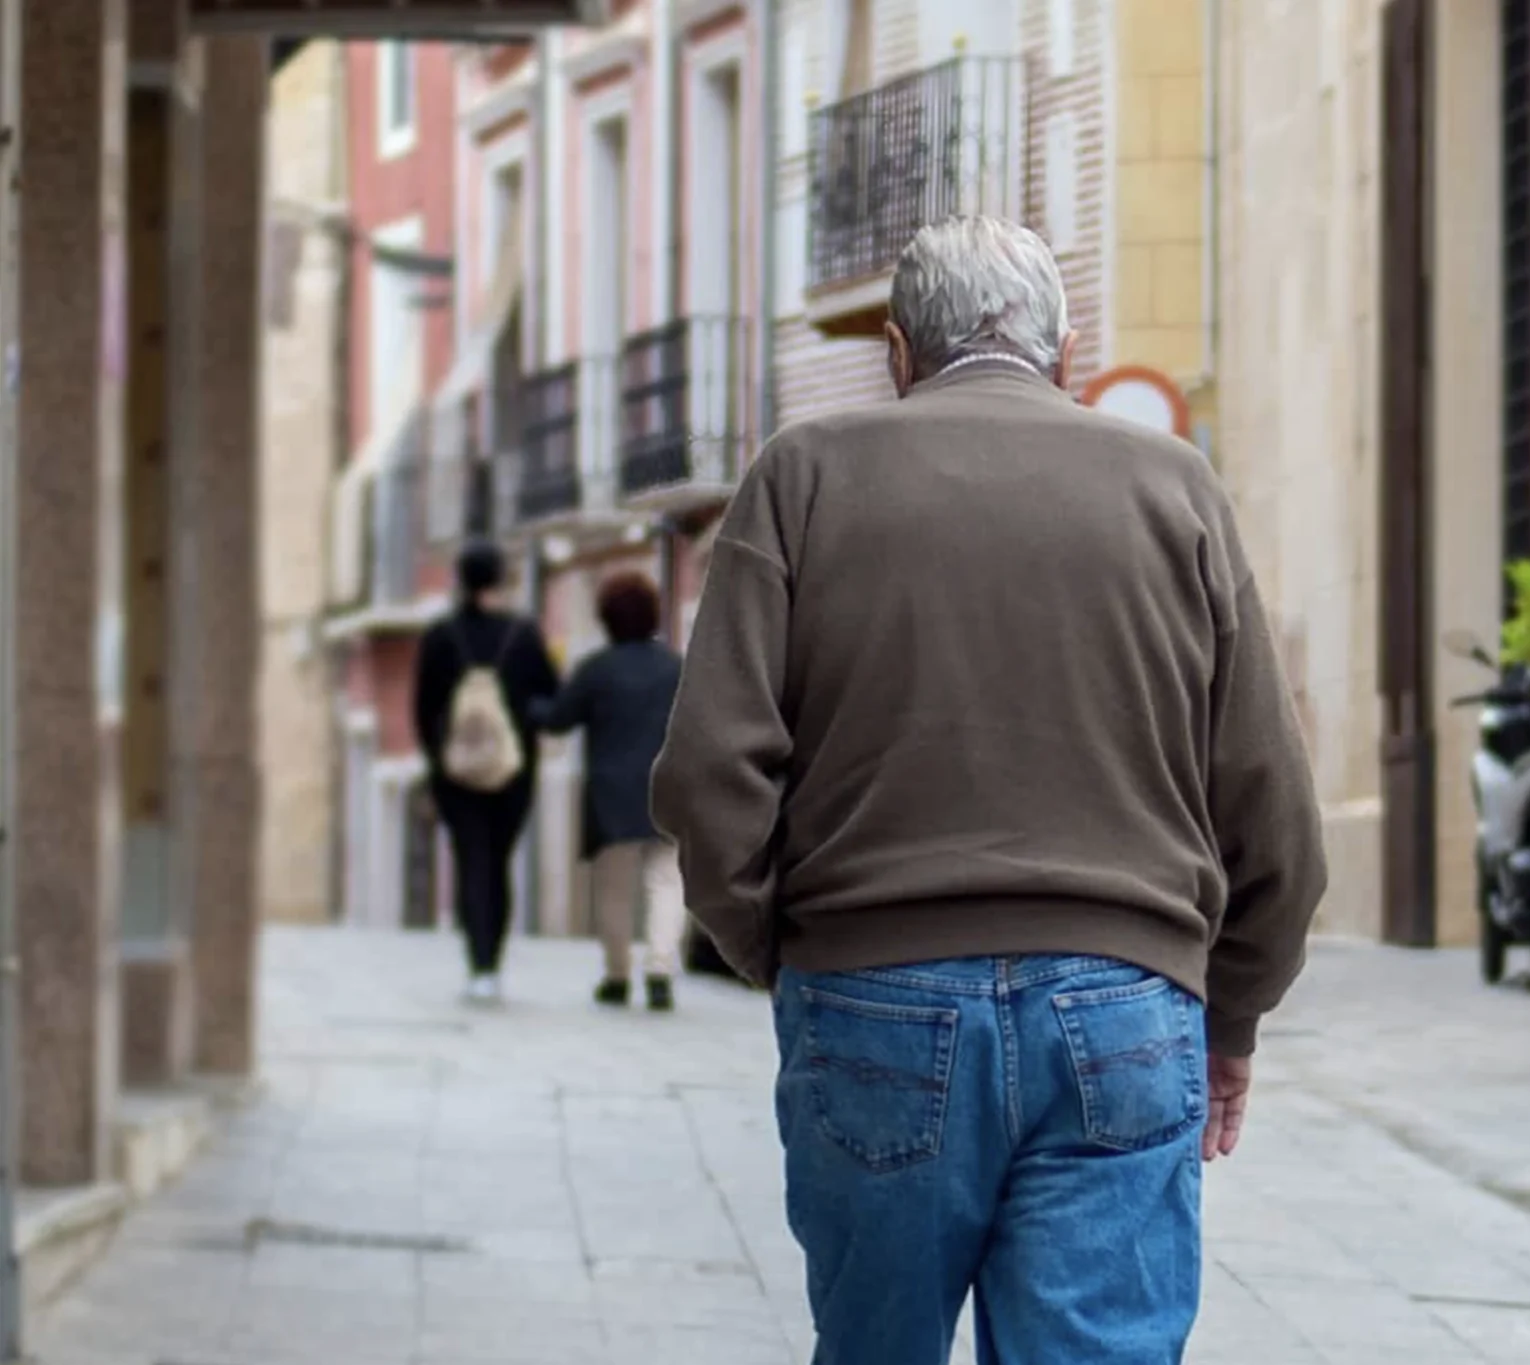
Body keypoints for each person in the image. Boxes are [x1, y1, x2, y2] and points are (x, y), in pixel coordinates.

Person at [651, 216, 1326, 1364]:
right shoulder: (1173, 489)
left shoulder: (803, 478)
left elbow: (709, 773)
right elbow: (1273, 808)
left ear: (897, 358)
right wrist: (1232, 1011)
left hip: (871, 991)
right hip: (1125, 1001)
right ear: (1064, 359)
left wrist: (790, 951)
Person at [531, 571, 687, 1012]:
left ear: (606, 619)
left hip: (610, 795)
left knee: (612, 886)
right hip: (667, 790)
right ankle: (659, 971)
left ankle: (617, 975)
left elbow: (557, 718)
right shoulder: (676, 669)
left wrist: (525, 702)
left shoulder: (596, 670)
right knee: (667, 882)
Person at [413, 541, 560, 1002]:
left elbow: (422, 707)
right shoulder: (523, 634)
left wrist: (439, 757)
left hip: (455, 772)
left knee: (470, 858)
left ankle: (476, 962)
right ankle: (491, 962)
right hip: (513, 770)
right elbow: (550, 697)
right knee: (497, 861)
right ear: (497, 580)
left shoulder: (440, 635)